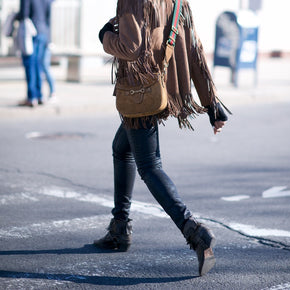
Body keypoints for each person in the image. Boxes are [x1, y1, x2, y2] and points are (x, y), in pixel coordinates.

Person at [93, 0, 229, 276]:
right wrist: (211, 103)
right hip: (164, 89)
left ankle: (194, 231)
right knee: (121, 149)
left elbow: (131, 48)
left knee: (150, 167)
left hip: (141, 91)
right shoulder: (176, 1)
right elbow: (194, 50)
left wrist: (105, 35)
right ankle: (119, 227)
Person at [17, 0, 52, 107]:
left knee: (30, 64)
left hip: (30, 33)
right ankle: (39, 96)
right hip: (43, 32)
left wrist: (14, 16)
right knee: (38, 65)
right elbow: (48, 18)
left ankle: (32, 97)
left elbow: (24, 14)